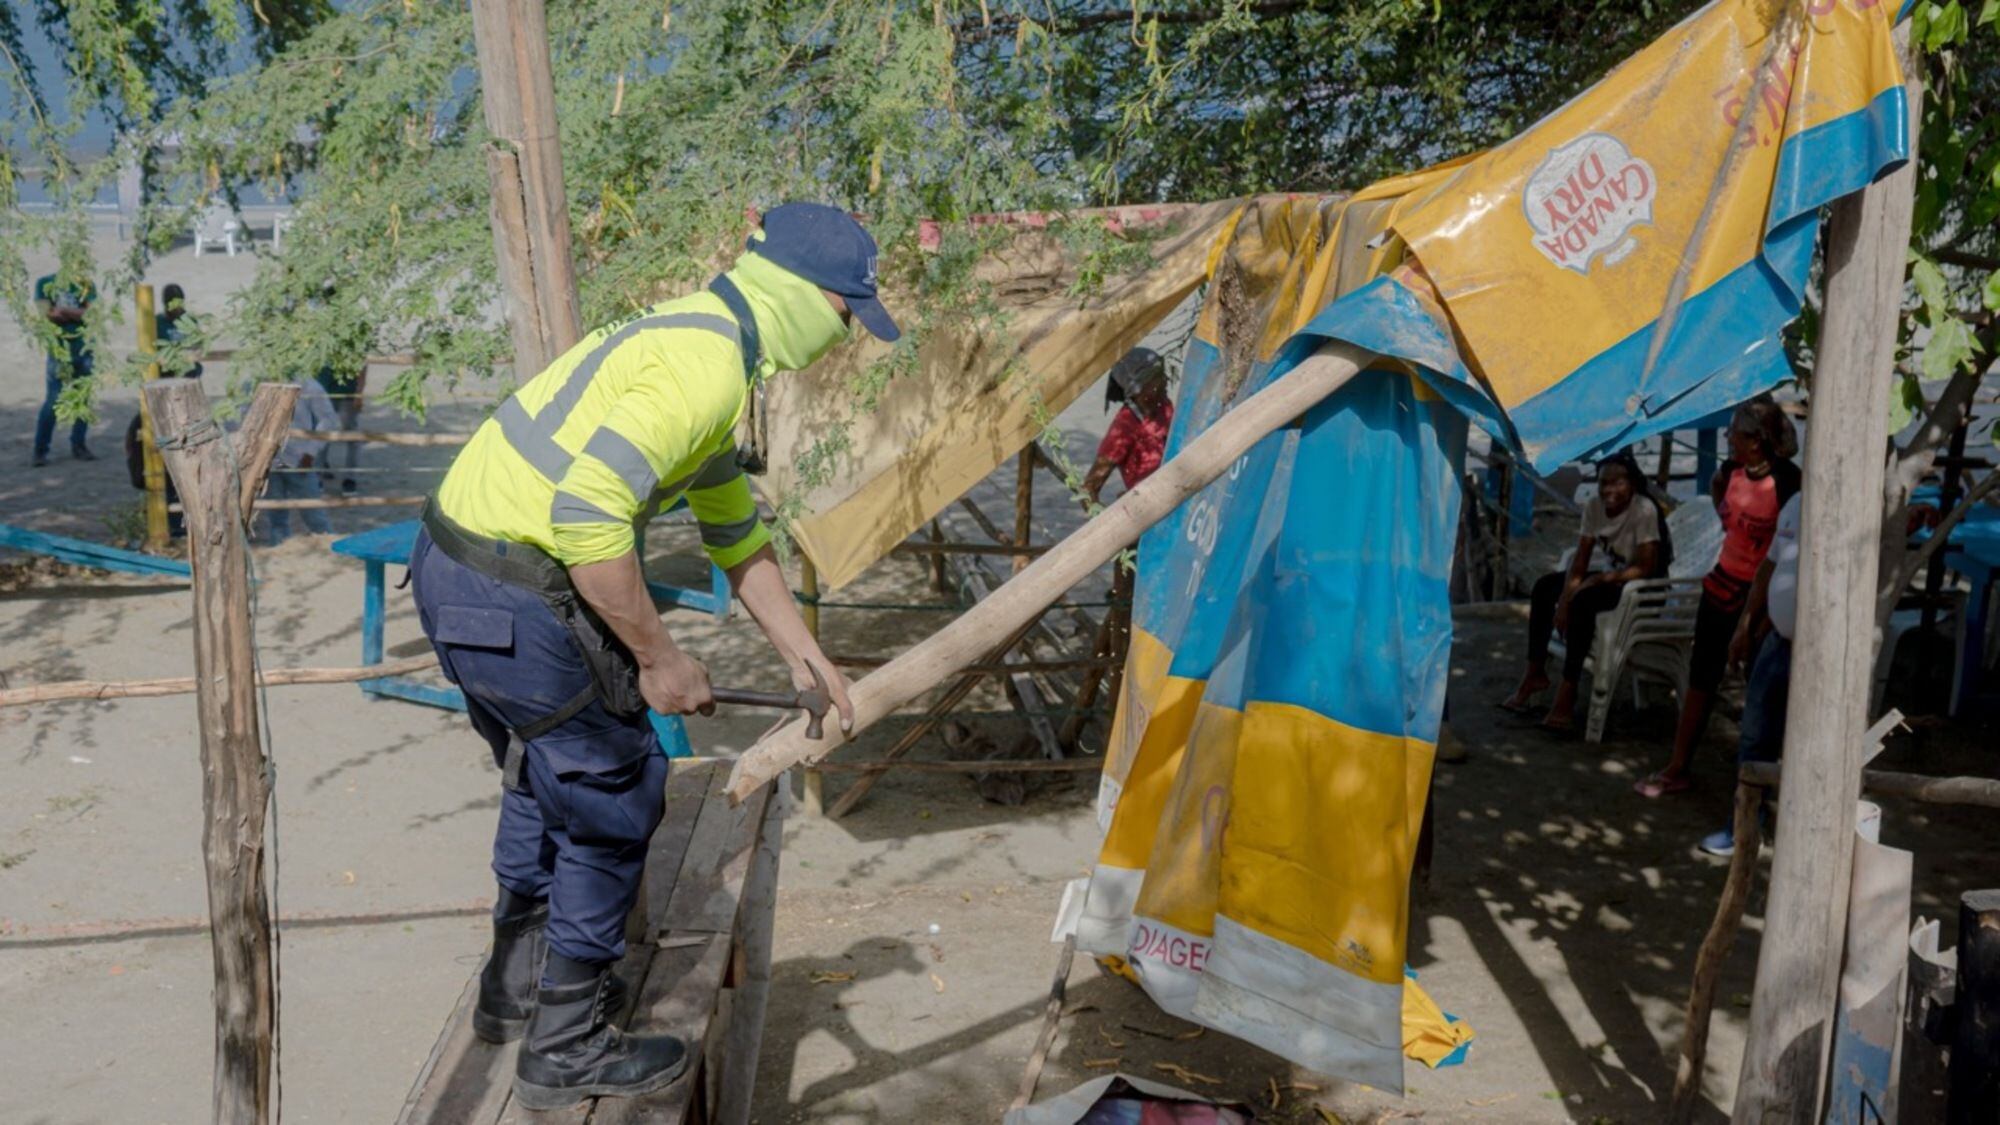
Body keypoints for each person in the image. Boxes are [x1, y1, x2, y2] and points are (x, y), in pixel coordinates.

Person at [409, 203, 888, 1109]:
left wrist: (807, 660)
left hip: (458, 568)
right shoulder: (705, 370)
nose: (846, 333)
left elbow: (738, 540)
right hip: (509, 585)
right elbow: (588, 517)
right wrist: (660, 659)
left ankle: (517, 986)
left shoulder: (703, 341)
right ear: (803, 293)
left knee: (538, 768)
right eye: (846, 313)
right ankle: (566, 1042)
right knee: (616, 786)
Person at [1637, 396, 1800, 798]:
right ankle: (1678, 767)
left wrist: (1757, 617)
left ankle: (1761, 785)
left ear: (1757, 441)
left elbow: (1778, 554)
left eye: (1734, 433)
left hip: (1757, 598)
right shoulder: (1729, 473)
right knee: (1701, 676)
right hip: (1719, 587)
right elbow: (1727, 515)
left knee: (1761, 689)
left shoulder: (1788, 483)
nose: (1726, 437)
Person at [1499, 453, 1666, 732]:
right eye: (1603, 483)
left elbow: (1647, 567)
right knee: (1544, 587)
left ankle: (1568, 690)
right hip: (1611, 580)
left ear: (1632, 484)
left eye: (1617, 483)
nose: (1609, 490)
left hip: (1643, 589)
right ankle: (1535, 671)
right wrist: (1564, 600)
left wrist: (1599, 580)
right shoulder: (1594, 506)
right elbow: (1581, 559)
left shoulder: (1644, 509)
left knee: (1584, 602)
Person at [1699, 489, 1801, 855]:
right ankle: (1743, 828)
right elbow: (1769, 567)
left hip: (1818, 652)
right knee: (1755, 736)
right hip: (1778, 639)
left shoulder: (1857, 509)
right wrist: (1746, 623)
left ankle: (1801, 836)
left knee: (1806, 743)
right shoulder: (1797, 502)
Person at [1082, 347, 1173, 503]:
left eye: (1162, 375)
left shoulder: (1164, 407)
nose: (1165, 381)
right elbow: (1089, 488)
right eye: (1156, 378)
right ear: (1137, 390)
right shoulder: (1124, 427)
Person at [32, 265, 98, 466]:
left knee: (83, 399)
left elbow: (91, 314)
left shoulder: (86, 285)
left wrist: (64, 311)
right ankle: (40, 449)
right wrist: (76, 313)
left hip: (83, 348)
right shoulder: (45, 283)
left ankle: (79, 444)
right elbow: (47, 313)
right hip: (59, 351)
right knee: (53, 400)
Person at [265, 378, 340, 542]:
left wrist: (310, 452)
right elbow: (240, 416)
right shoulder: (255, 382)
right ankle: (279, 549)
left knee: (314, 513)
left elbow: (329, 419)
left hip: (299, 459)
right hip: (267, 460)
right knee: (276, 515)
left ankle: (326, 546)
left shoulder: (308, 385)